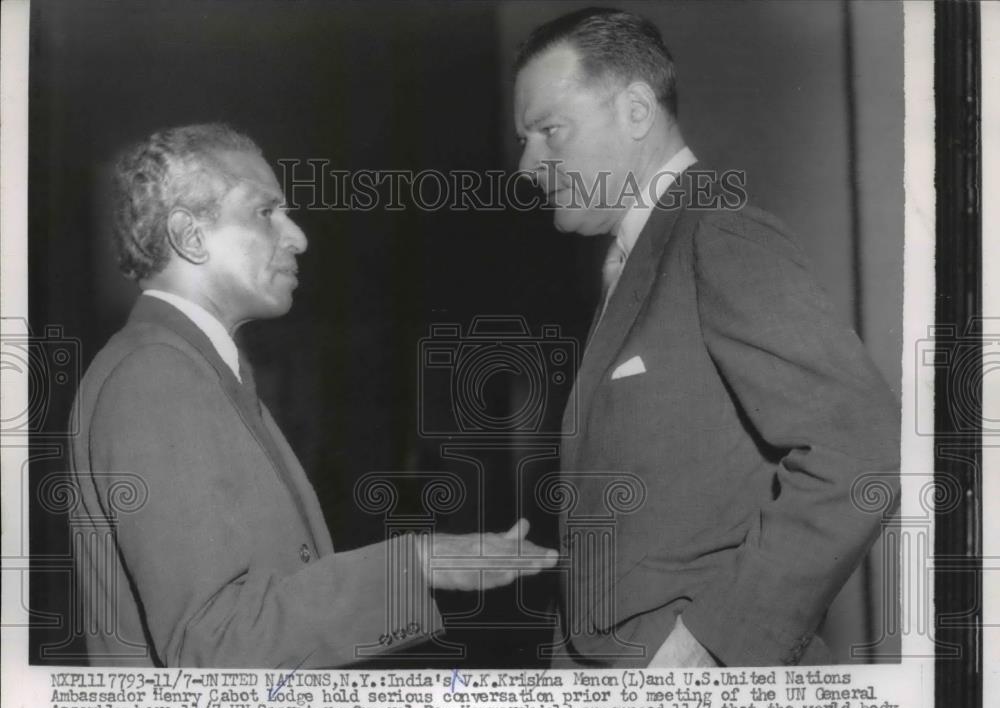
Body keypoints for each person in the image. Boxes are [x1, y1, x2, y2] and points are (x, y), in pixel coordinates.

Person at [68, 123, 555, 668]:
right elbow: (216, 647)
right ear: (191, 236)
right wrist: (413, 565)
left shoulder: (194, 367)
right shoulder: (158, 377)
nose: (298, 236)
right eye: (264, 212)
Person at [513, 9, 900, 667]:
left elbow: (863, 448)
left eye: (550, 131)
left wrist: (713, 643)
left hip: (697, 701)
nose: (528, 164)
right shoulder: (639, 258)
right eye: (525, 139)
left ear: (637, 111)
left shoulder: (716, 233)